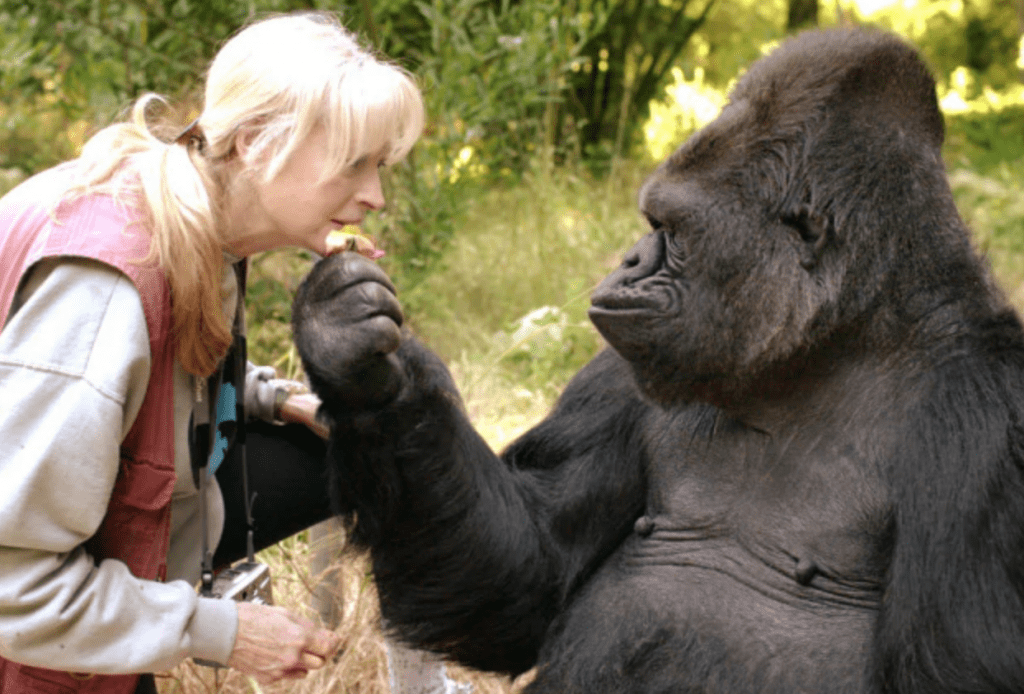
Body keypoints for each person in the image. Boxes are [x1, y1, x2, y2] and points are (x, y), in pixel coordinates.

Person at [0, 11, 446, 693]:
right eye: (353, 164)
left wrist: (273, 394)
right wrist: (223, 632)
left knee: (369, 441)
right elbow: (12, 584)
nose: (376, 196)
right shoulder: (105, 291)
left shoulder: (192, 214)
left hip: (83, 532)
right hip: (29, 612)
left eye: (379, 166)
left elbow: (148, 381)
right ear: (255, 142)